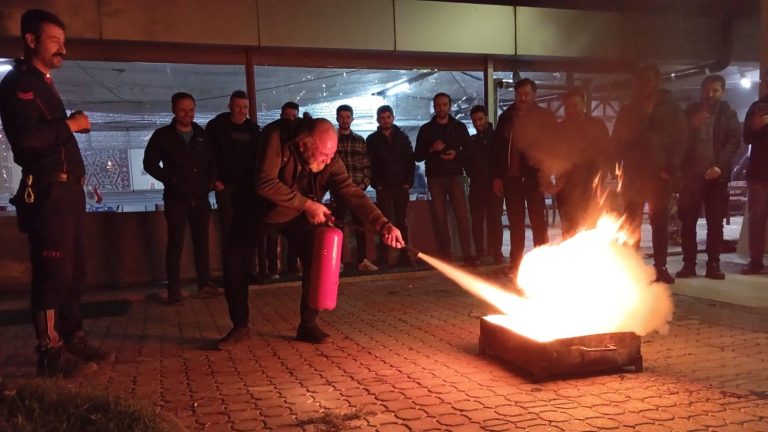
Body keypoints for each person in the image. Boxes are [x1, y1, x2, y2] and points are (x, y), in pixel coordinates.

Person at [218, 118, 404, 348]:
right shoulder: (276, 137)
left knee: (318, 261)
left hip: (297, 215)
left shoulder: (330, 160)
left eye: (331, 155)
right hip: (255, 212)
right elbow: (265, 183)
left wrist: (383, 224)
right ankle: (240, 326)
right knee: (234, 264)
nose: (328, 162)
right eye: (323, 155)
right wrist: (308, 205)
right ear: (303, 143)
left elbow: (350, 191)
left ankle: (308, 324)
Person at [0, 9, 112, 377]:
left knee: (73, 270)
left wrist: (67, 127)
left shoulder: (44, 82)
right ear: (31, 40)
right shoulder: (18, 83)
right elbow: (29, 141)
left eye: (64, 42)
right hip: (48, 191)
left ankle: (73, 336)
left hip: (68, 191)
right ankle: (49, 351)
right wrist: (71, 124)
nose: (63, 48)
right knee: (53, 270)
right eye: (54, 41)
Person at [612, 65, 687, 284]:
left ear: (657, 81)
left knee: (659, 221)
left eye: (648, 80)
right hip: (634, 173)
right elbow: (617, 139)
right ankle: (632, 267)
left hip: (660, 173)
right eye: (641, 80)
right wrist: (616, 166)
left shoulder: (671, 109)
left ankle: (661, 267)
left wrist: (672, 167)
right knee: (632, 221)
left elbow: (681, 139)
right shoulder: (629, 109)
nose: (645, 84)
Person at [144, 92, 220, 303]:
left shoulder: (202, 135)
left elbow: (213, 162)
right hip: (176, 198)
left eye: (191, 110)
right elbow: (149, 163)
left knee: (202, 242)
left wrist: (210, 182)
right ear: (174, 111)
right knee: (175, 243)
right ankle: (174, 288)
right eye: (182, 110)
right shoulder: (162, 136)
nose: (187, 114)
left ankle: (204, 284)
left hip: (200, 197)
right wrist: (171, 180)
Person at [675, 75, 740, 280]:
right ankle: (689, 264)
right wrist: (690, 126)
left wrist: (720, 167)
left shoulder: (728, 115)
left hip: (716, 177)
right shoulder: (690, 113)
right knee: (688, 222)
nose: (710, 95)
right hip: (692, 176)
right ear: (701, 91)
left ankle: (713, 264)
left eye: (715, 91)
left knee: (715, 223)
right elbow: (676, 138)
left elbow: (734, 140)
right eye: (707, 90)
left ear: (723, 92)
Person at [492, 78, 557, 277]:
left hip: (534, 178)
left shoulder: (545, 117)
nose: (523, 98)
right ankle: (516, 264)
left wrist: (548, 172)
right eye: (519, 94)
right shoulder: (507, 117)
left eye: (527, 94)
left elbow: (553, 146)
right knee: (516, 223)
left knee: (538, 221)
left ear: (534, 95)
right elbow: (497, 150)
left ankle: (543, 264)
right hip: (511, 179)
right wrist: (497, 177)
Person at [415, 92, 476, 266]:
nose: (441, 108)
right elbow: (417, 155)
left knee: (463, 216)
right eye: (438, 105)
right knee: (440, 218)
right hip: (435, 178)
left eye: (444, 104)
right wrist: (432, 149)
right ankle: (445, 255)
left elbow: (469, 151)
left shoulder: (459, 127)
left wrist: (457, 155)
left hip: (456, 175)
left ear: (450, 106)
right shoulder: (426, 129)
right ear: (434, 107)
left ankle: (468, 254)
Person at [205, 90, 260, 267]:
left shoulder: (253, 128)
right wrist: (215, 181)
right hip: (225, 186)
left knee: (249, 228)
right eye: (238, 107)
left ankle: (250, 269)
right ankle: (231, 271)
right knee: (228, 229)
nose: (242, 111)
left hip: (248, 188)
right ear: (230, 107)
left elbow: (258, 157)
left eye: (245, 107)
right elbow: (208, 156)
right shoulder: (216, 126)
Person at [555, 89, 611, 239]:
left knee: (590, 223)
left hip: (591, 183)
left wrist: (605, 172)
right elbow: (552, 156)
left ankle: (589, 256)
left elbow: (607, 152)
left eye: (575, 106)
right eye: (567, 107)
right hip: (566, 185)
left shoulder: (597, 126)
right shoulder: (559, 129)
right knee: (568, 227)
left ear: (583, 105)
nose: (571, 110)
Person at [367, 105, 415, 267]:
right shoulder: (372, 140)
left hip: (401, 187)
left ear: (393, 118)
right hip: (384, 188)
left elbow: (410, 161)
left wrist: (407, 183)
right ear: (378, 120)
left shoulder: (402, 137)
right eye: (382, 118)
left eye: (388, 117)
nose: (385, 120)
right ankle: (383, 258)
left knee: (402, 222)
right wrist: (377, 185)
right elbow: (370, 164)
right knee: (383, 224)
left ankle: (405, 257)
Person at [331, 104, 376, 271]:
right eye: (341, 117)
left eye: (347, 117)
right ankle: (338, 262)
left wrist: (363, 185)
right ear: (337, 118)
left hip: (357, 191)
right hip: (338, 191)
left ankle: (362, 261)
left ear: (352, 119)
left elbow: (366, 165)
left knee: (361, 227)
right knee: (338, 228)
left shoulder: (360, 141)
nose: (344, 120)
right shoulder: (332, 142)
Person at [259, 101, 300, 278]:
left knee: (294, 236)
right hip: (274, 196)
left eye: (294, 116)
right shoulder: (272, 134)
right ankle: (272, 270)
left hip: (293, 194)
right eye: (287, 116)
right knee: (272, 236)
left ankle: (293, 268)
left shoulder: (299, 139)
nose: (290, 120)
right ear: (281, 116)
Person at [465, 105, 504, 264]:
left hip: (493, 185)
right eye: (474, 121)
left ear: (486, 118)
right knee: (477, 221)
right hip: (477, 186)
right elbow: (467, 162)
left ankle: (497, 253)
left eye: (480, 119)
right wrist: (472, 175)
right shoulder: (472, 141)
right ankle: (480, 253)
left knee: (495, 220)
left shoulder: (497, 138)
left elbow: (501, 161)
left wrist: (498, 178)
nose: (477, 123)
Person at [741, 69, 768, 275]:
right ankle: (756, 260)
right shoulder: (757, 107)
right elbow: (747, 138)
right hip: (759, 172)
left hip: (759, 172)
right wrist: (756, 126)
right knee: (757, 217)